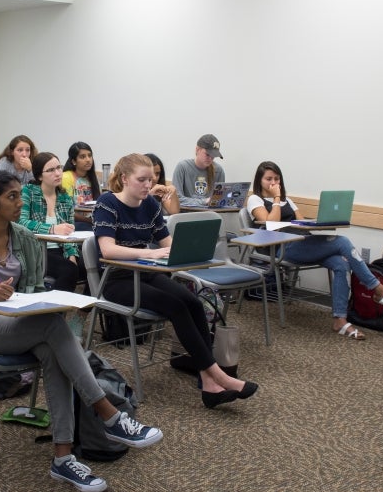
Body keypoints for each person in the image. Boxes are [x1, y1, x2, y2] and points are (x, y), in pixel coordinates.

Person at [0, 171, 164, 492]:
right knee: (54, 328)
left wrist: (56, 302)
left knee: (55, 349)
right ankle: (107, 413)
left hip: (20, 326)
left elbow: (36, 290)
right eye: (12, 197)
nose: (20, 201)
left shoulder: (25, 236)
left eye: (20, 195)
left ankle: (63, 458)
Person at [94, 153, 258, 409]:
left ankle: (209, 382)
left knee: (192, 301)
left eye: (151, 179)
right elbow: (108, 250)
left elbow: (166, 243)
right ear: (124, 179)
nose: (148, 185)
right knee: (176, 306)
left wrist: (182, 250)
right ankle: (218, 376)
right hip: (117, 279)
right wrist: (149, 252)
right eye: (141, 180)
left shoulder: (149, 205)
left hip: (147, 272)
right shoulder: (107, 203)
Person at [246, 161, 383, 340]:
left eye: (277, 179)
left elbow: (301, 224)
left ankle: (340, 320)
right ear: (259, 181)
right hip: (282, 249)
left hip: (302, 243)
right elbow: (271, 226)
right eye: (269, 179)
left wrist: (317, 222)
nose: (274, 183)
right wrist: (276, 199)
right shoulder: (255, 199)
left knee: (340, 263)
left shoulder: (288, 200)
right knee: (343, 242)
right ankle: (378, 289)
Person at [18, 151, 80, 292]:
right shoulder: (28, 192)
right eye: (51, 170)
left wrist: (72, 255)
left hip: (61, 249)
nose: (58, 173)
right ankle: (53, 312)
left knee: (93, 266)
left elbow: (70, 231)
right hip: (36, 251)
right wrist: (52, 229)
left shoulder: (65, 198)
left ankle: (84, 312)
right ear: (40, 175)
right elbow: (21, 223)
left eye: (59, 168)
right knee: (69, 270)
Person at [172, 134, 225, 208]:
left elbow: (219, 199)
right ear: (197, 150)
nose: (210, 158)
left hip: (210, 215)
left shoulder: (219, 170)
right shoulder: (182, 167)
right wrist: (204, 201)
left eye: (213, 155)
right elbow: (177, 199)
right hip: (186, 215)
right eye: (207, 154)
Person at [61, 141, 100, 228]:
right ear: (74, 161)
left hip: (91, 220)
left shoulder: (92, 178)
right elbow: (67, 210)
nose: (88, 160)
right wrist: (92, 221)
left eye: (90, 156)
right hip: (73, 222)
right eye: (82, 157)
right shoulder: (66, 177)